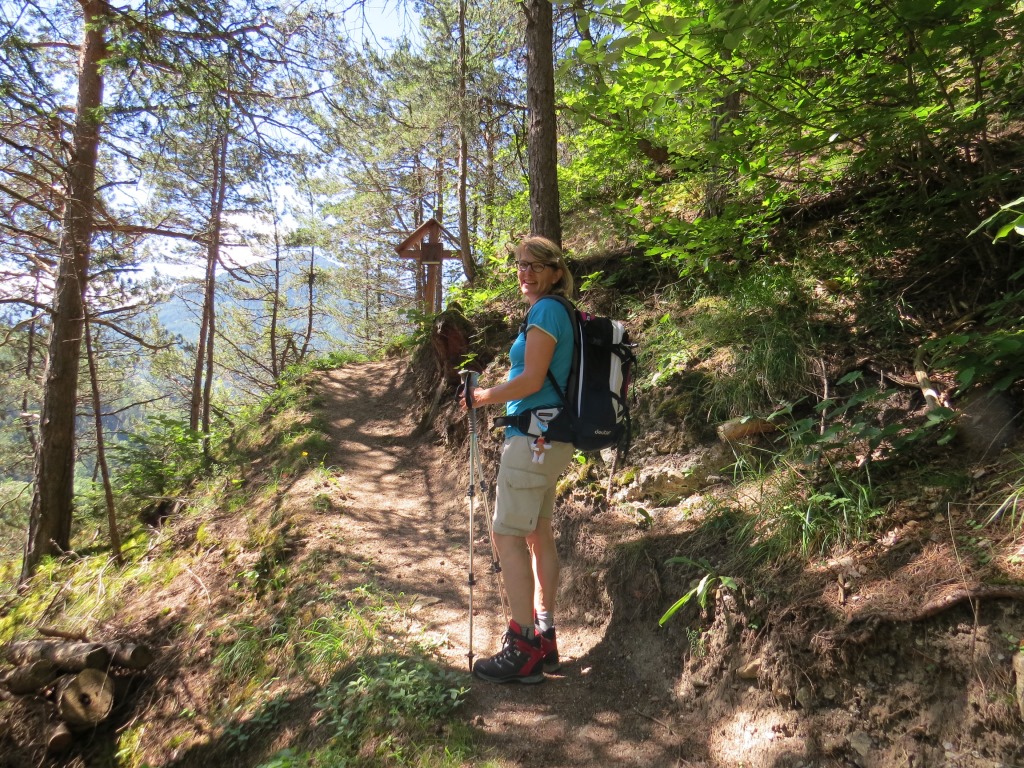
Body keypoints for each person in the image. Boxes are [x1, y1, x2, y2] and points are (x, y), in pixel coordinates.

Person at [463, 235, 576, 684]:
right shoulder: (561, 312)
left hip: (532, 438)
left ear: (555, 272)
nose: (525, 272)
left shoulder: (547, 310)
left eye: (535, 265)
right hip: (550, 439)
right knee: (536, 533)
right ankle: (544, 636)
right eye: (520, 264)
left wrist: (481, 396)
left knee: (506, 535)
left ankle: (522, 646)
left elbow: (531, 380)